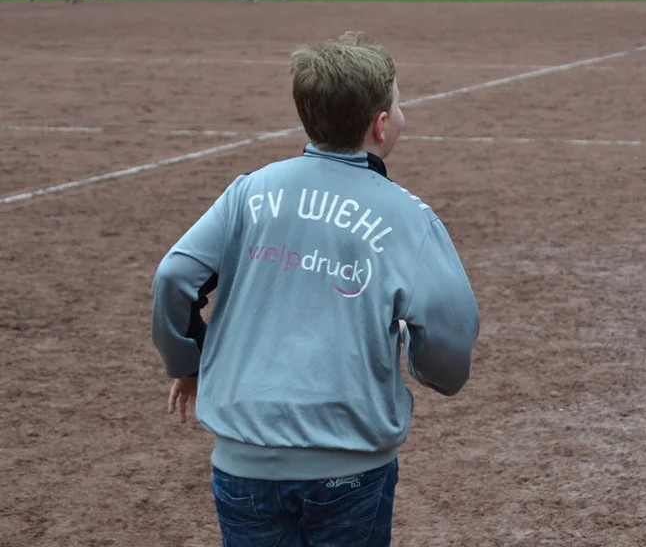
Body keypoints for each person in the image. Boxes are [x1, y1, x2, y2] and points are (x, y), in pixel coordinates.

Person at [151, 31, 480, 546]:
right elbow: (451, 330)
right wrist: (434, 372)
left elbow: (175, 276)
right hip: (349, 463)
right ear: (381, 125)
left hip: (244, 463)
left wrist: (187, 362)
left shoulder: (249, 191)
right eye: (398, 102)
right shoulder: (408, 217)